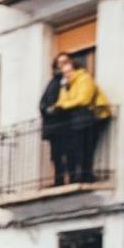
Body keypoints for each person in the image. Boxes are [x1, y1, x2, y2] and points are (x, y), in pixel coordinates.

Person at [41, 52, 109, 185]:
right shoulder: (66, 84)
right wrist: (61, 101)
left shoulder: (84, 78)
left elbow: (83, 99)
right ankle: (80, 175)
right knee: (79, 148)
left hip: (94, 116)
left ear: (74, 68)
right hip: (79, 119)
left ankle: (86, 175)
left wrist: (63, 106)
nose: (66, 74)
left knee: (87, 148)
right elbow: (62, 100)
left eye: (68, 71)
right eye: (64, 72)